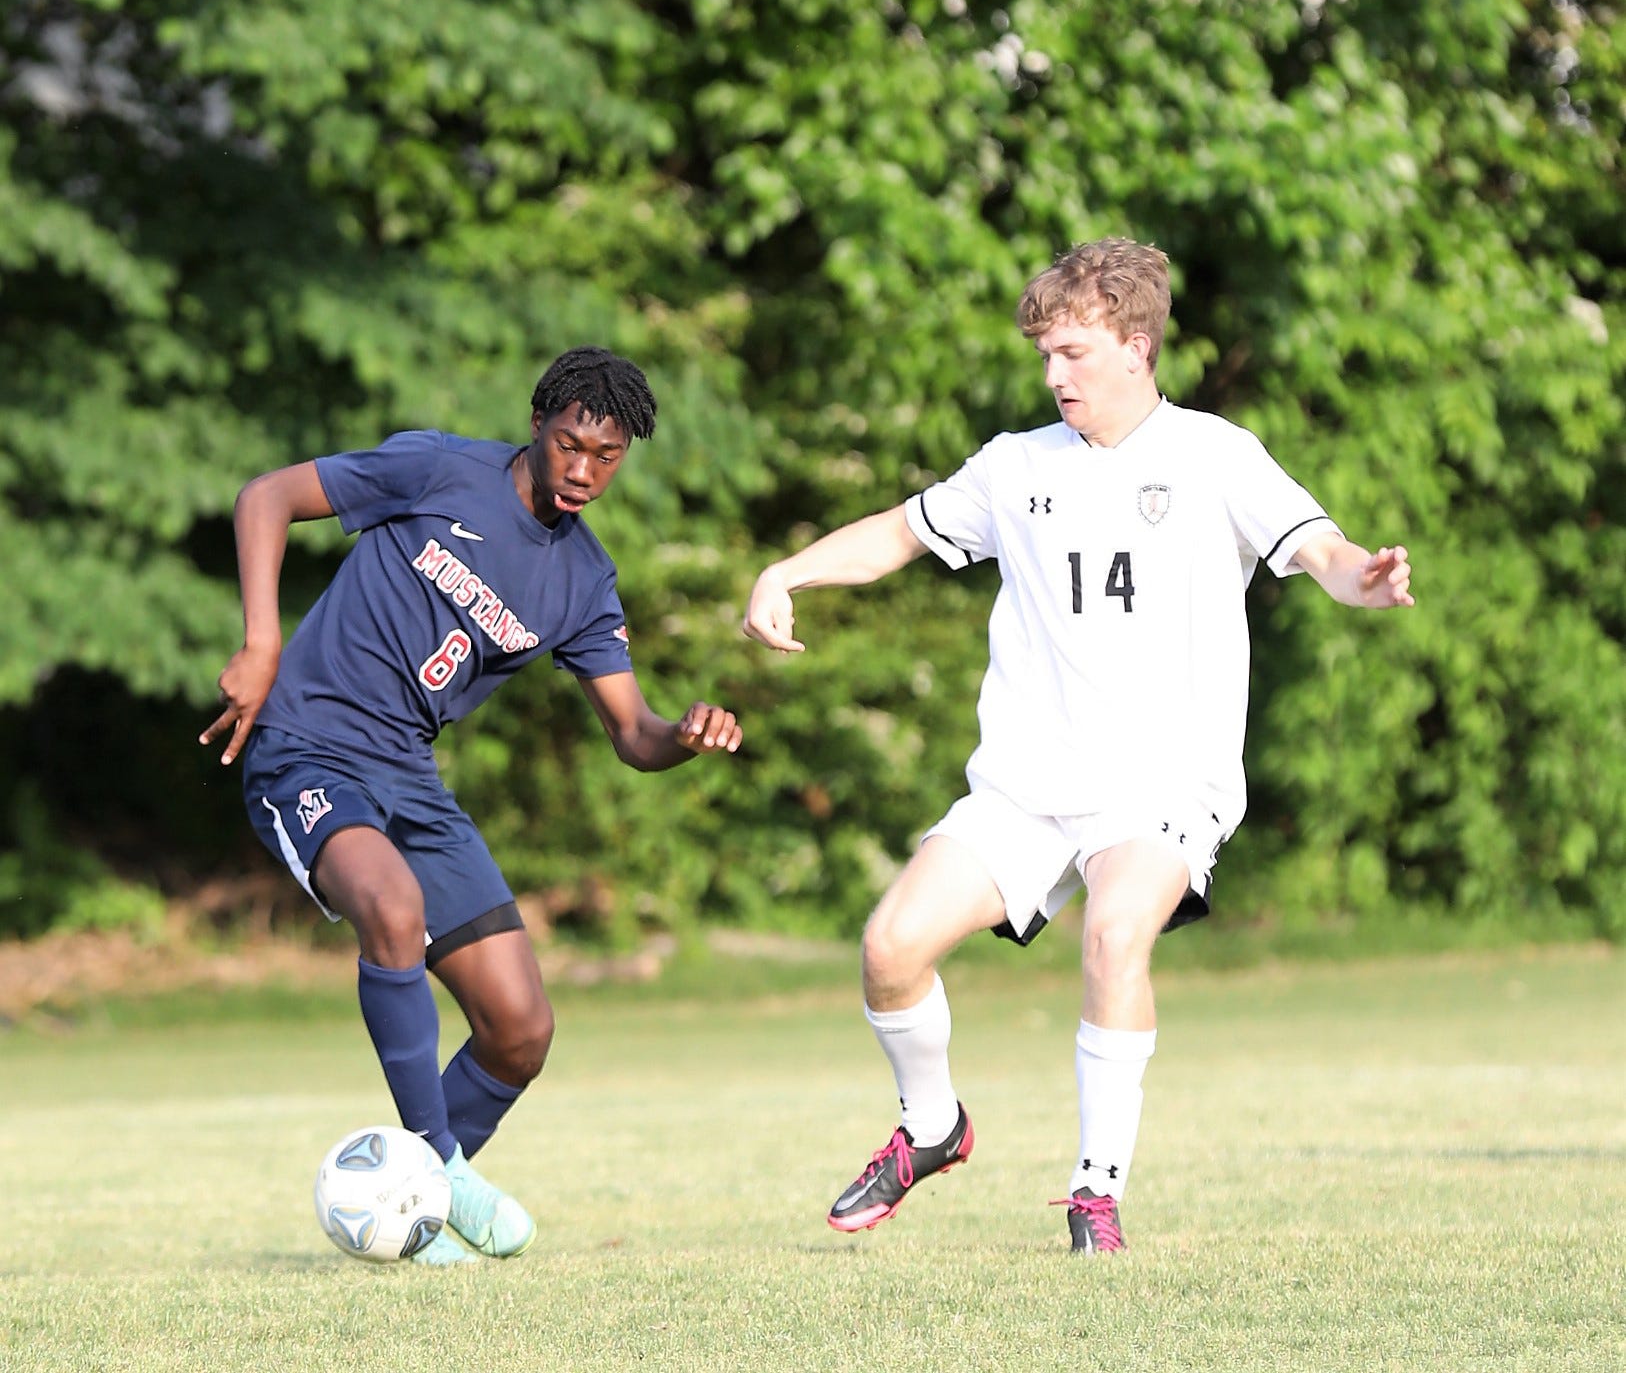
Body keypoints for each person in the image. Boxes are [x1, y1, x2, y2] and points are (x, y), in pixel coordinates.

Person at [742, 238, 1414, 1254]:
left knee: (1113, 933)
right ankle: (932, 1128)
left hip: (1161, 782)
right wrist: (783, 573)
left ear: (1137, 344)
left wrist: (1363, 576)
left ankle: (1095, 1189)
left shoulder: (1213, 454)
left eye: (1073, 353)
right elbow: (895, 534)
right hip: (1026, 783)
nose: (1054, 375)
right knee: (888, 948)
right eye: (1045, 356)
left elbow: (1316, 549)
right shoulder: (1015, 467)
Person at [202, 346, 743, 1266]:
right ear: (539, 423)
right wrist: (261, 643)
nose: (582, 470)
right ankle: (444, 1170)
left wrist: (682, 738)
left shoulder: (584, 582)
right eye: (570, 443)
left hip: (408, 774)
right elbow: (266, 496)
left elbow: (632, 733)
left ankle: (403, 1205)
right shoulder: (439, 468)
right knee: (393, 909)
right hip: (305, 744)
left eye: (605, 456)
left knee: (522, 1027)